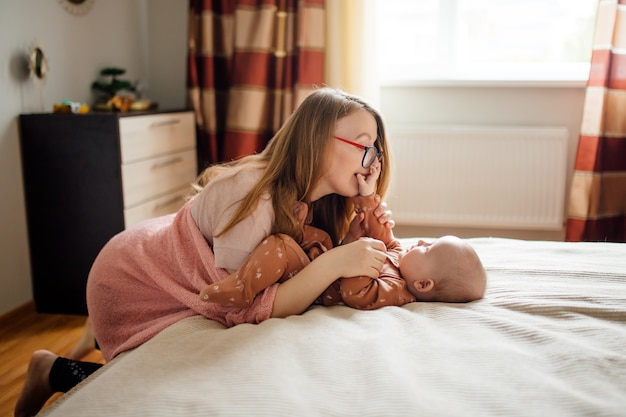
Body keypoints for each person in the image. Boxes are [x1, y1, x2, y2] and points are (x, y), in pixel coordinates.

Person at [14, 87, 395, 417]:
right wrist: (333, 262)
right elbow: (246, 307)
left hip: (163, 257)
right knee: (171, 377)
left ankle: (67, 357)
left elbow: (301, 274)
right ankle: (51, 371)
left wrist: (352, 236)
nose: (374, 159)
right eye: (364, 145)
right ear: (315, 140)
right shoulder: (252, 192)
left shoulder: (317, 202)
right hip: (134, 283)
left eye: (375, 148)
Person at [200, 159, 486, 310]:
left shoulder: (396, 291)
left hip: (315, 282)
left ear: (423, 284)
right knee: (306, 235)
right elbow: (384, 237)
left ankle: (241, 288)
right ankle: (244, 279)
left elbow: (355, 294)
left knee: (281, 246)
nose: (421, 242)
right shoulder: (402, 259)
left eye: (428, 249)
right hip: (321, 256)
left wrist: (358, 261)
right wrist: (367, 198)